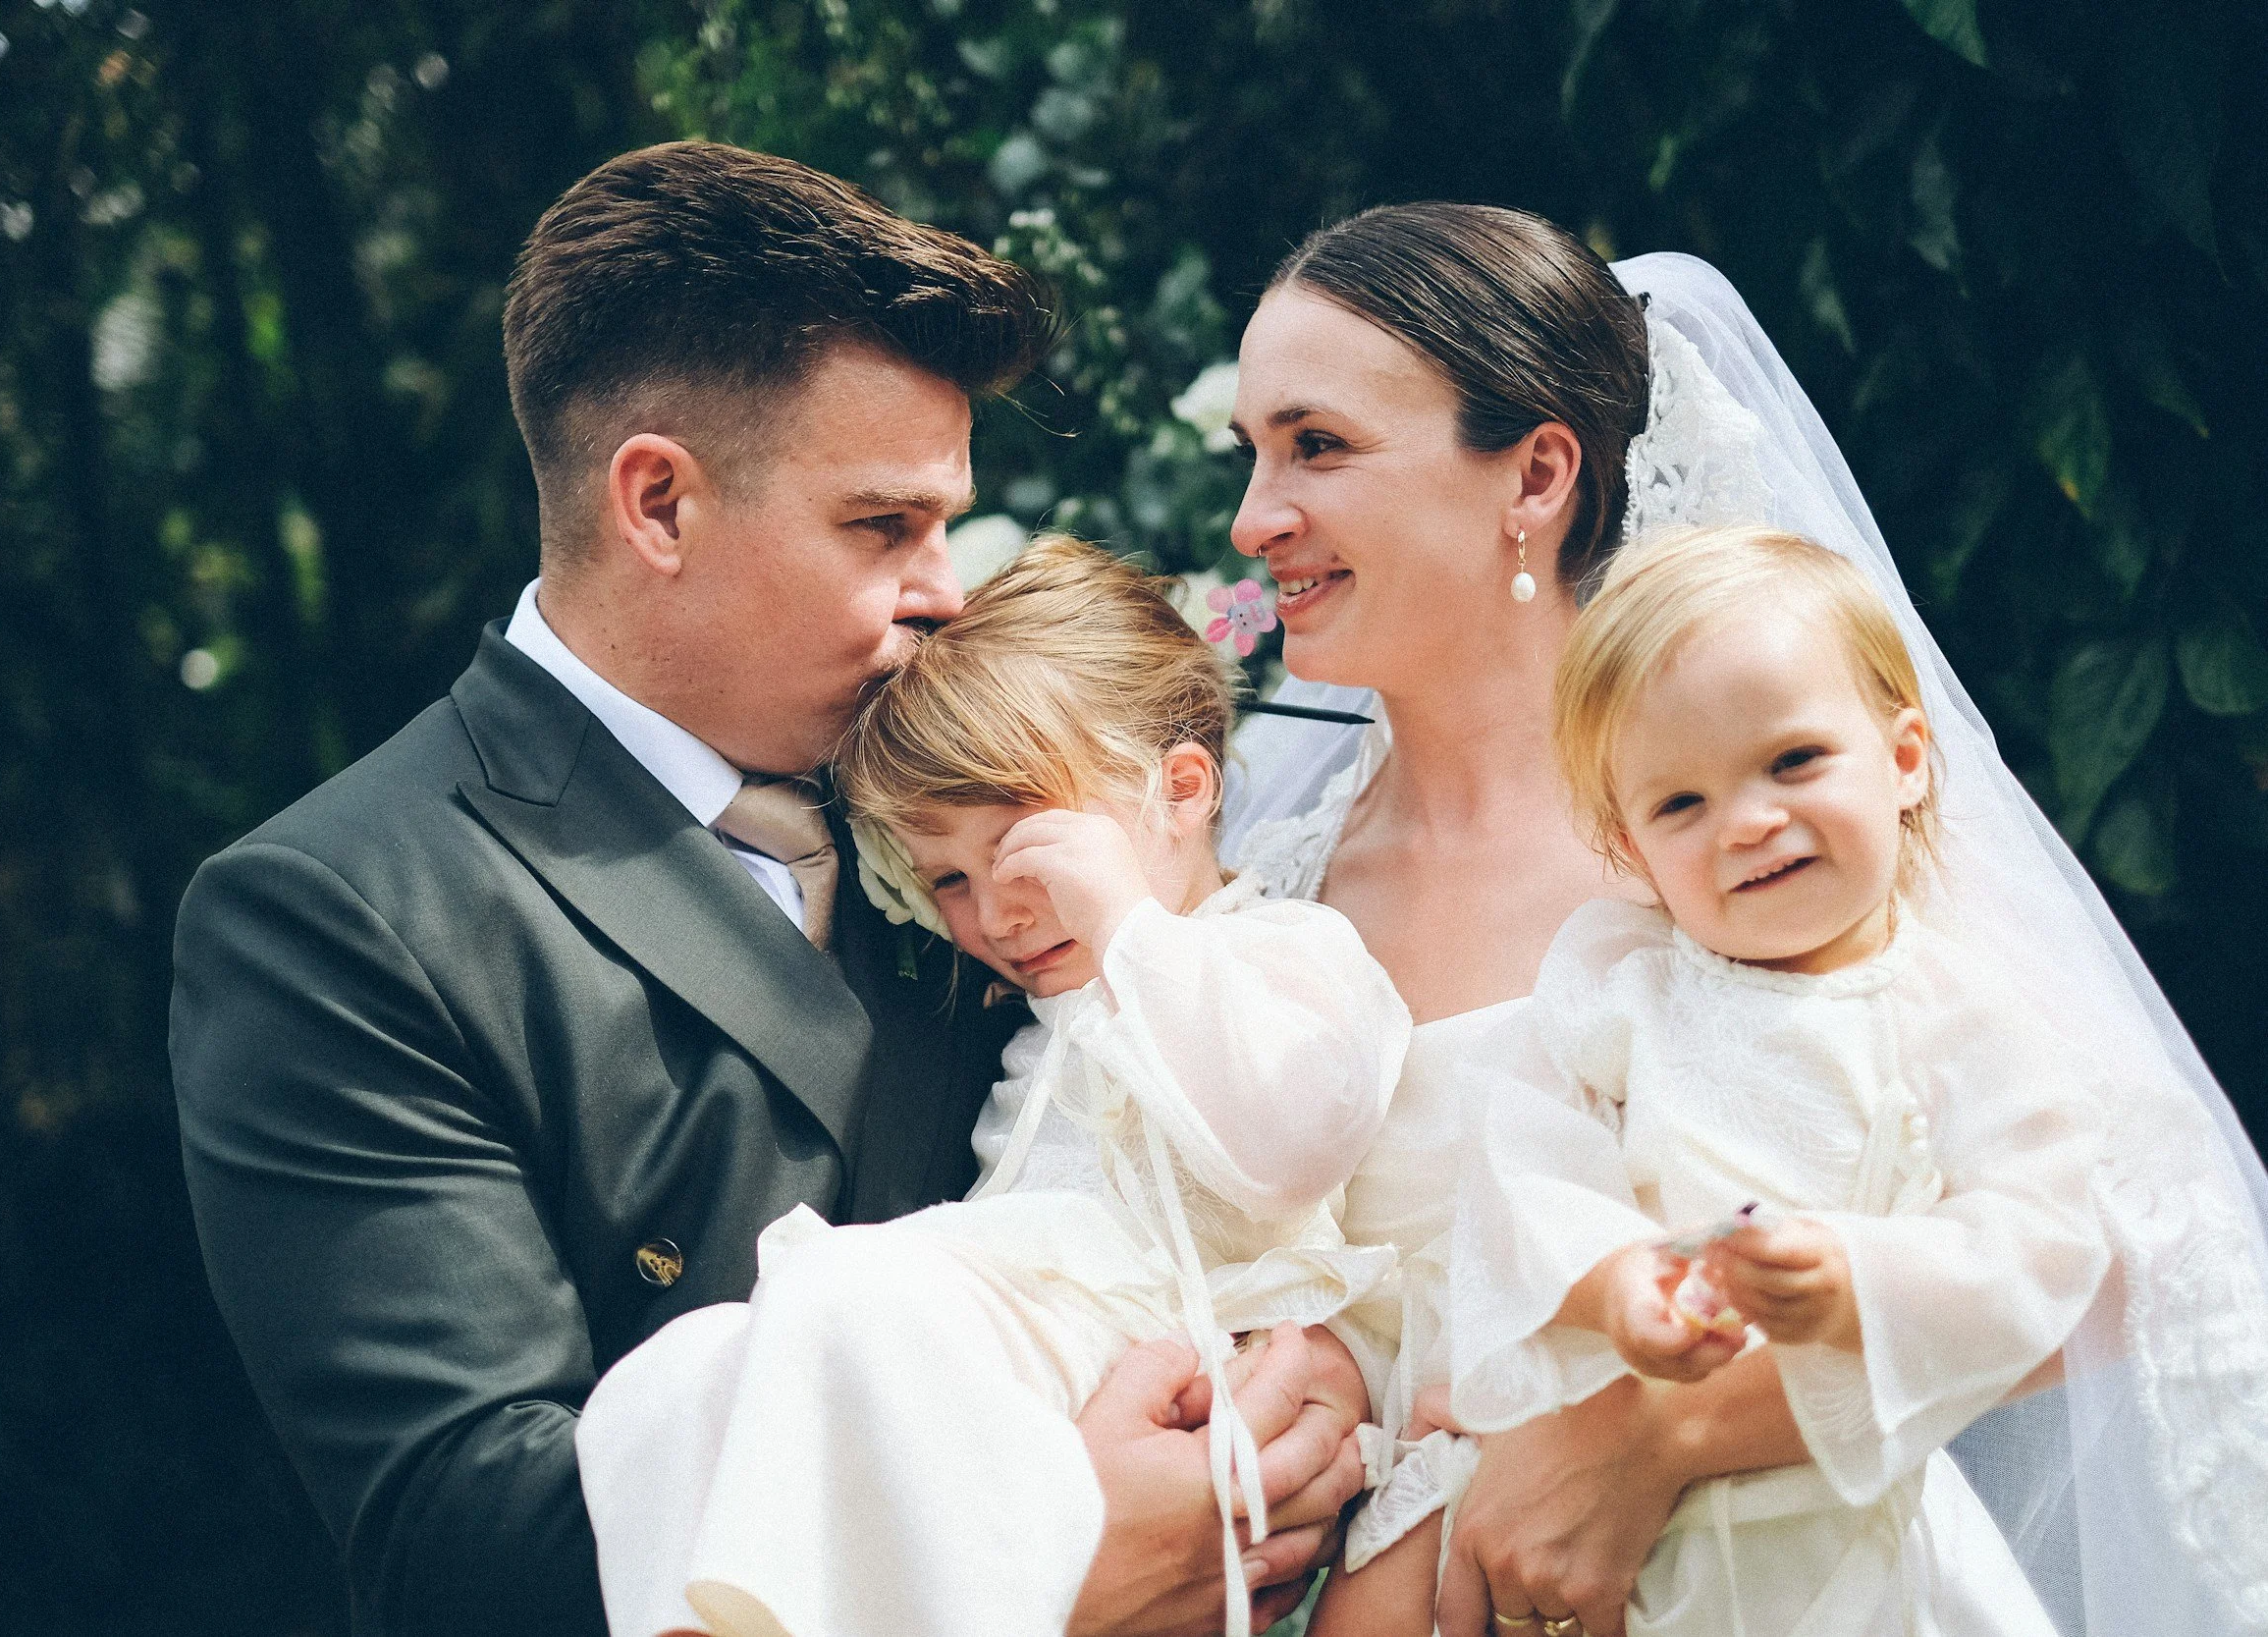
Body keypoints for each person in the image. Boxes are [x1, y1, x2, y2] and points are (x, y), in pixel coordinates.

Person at [169, 142, 1365, 1637]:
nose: (942, 586)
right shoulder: (341, 913)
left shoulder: (980, 782)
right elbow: (462, 1545)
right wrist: (1042, 1561)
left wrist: (1321, 1357)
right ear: (658, 503)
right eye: (882, 526)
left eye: (945, 522)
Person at [1217, 205, 2268, 1637]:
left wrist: (1658, 1435)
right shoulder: (1265, 868)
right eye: (1253, 454)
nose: (1251, 518)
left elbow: (2141, 1248)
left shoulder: (1749, 832)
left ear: (1534, 471)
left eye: (1316, 445)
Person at [573, 535, 1409, 1637]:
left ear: (1181, 790)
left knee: (853, 1299)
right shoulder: (1038, 1020)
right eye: (951, 880)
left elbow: (1293, 1143)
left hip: (1167, 1335)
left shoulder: (1283, 950)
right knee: (668, 1380)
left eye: (1027, 852)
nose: (996, 914)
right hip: (1022, 1341)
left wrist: (1127, 925)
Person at [1328, 523, 2123, 1637]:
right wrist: (1614, 1281)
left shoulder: (1956, 1016)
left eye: (1792, 761)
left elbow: (2044, 1235)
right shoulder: (1621, 988)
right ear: (1628, 845)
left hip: (1836, 1544)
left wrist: (1860, 1273)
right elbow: (1528, 1161)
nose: (1747, 822)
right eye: (1679, 806)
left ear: (1904, 758)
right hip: (1637, 1556)